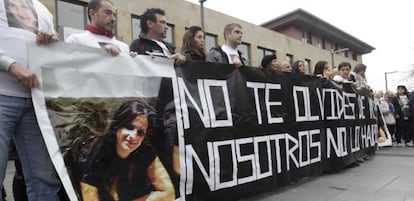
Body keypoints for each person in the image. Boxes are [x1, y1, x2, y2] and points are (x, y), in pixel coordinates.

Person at [0, 0, 62, 200]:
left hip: (36, 102)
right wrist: (11, 65)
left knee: (43, 178)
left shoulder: (43, 9)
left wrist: (54, 40)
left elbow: (54, 51)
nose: (22, 12)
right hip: (2, 96)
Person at [79, 100, 175, 201]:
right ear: (118, 126)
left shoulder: (145, 149)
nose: (133, 136)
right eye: (129, 127)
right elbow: (89, 196)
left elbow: (168, 193)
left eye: (140, 132)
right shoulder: (97, 152)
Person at [65, 0, 130, 56]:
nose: (113, 19)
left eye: (115, 15)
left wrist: (133, 61)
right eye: (108, 13)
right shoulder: (76, 41)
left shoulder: (124, 47)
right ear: (93, 14)